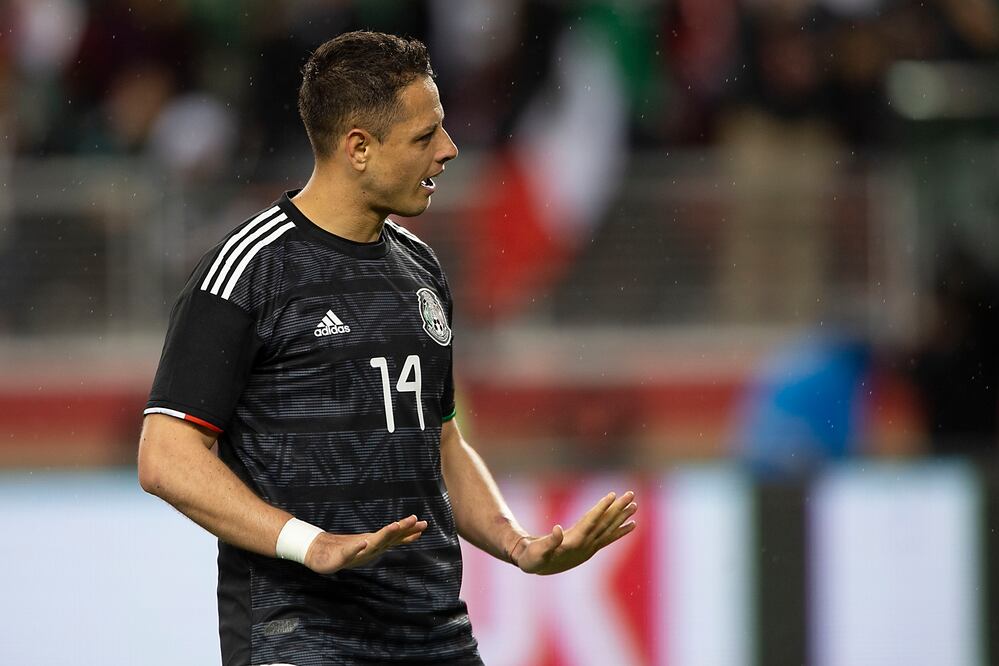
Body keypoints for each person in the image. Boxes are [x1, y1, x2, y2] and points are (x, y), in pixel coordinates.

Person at [137, 31, 638, 666]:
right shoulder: (249, 271)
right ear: (358, 148)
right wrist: (308, 543)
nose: (450, 151)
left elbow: (443, 441)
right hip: (298, 639)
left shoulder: (422, 272)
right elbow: (165, 456)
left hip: (433, 634)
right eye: (425, 137)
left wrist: (517, 545)